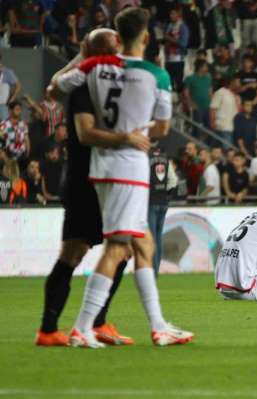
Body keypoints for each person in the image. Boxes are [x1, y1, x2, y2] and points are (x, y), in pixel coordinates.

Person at [54, 8, 193, 348]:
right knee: (118, 248)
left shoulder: (94, 67)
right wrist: (137, 128)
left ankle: (159, 325)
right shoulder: (157, 76)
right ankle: (82, 327)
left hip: (102, 166)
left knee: (143, 243)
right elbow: (161, 128)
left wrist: (82, 58)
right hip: (129, 167)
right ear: (145, 37)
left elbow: (56, 88)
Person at [37, 29, 140, 347]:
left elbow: (52, 89)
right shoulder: (92, 83)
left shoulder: (85, 80)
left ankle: (78, 324)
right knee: (86, 251)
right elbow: (73, 116)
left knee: (111, 250)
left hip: (94, 177)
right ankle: (65, 326)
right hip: (91, 179)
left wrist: (83, 54)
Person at [148, 144, 178, 277]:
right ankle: (156, 270)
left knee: (151, 237)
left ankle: (152, 271)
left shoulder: (145, 159)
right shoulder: (166, 160)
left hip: (150, 201)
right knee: (158, 237)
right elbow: (173, 181)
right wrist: (166, 194)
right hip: (163, 202)